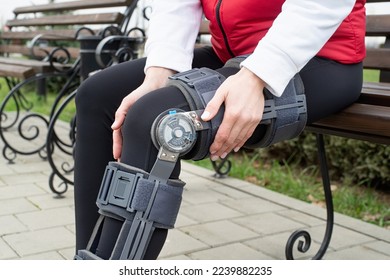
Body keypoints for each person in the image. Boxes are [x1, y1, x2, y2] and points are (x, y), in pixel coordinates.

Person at [74, 0, 366, 260]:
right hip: (232, 55)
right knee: (97, 96)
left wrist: (258, 75)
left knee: (156, 121)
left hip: (318, 58)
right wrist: (158, 74)